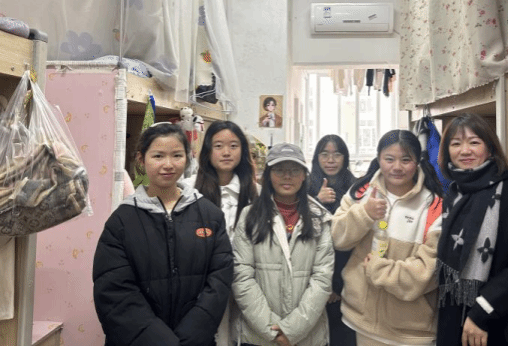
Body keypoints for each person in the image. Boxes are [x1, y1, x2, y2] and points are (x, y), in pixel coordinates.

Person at [93, 122, 233, 346]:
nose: (168, 165)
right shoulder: (121, 222)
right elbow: (114, 291)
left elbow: (219, 282)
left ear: (188, 158)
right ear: (141, 159)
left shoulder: (210, 215)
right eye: (158, 156)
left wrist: (191, 335)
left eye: (177, 155)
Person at [331, 129, 444, 346]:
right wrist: (364, 214)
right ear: (378, 159)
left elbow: (427, 272)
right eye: (389, 159)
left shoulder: (434, 206)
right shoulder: (360, 193)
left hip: (410, 332)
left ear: (417, 162)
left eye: (406, 160)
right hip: (359, 320)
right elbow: (337, 239)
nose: (397, 167)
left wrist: (378, 269)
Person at [435, 113, 508, 346]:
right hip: (451, 318)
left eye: (474, 142)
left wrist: (482, 312)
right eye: (456, 144)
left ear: (490, 149)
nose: (465, 151)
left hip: (495, 320)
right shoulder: (451, 196)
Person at [232, 142, 334, 346]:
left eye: (294, 170)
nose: (287, 176)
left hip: (308, 336)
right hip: (258, 336)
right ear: (268, 174)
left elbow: (322, 278)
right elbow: (241, 275)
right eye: (279, 170)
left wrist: (292, 330)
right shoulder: (249, 216)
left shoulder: (319, 217)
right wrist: (272, 329)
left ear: (304, 175)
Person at [193, 120, 259, 346]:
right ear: (208, 150)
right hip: (202, 284)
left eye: (233, 146)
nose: (226, 152)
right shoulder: (189, 189)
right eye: (218, 146)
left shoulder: (256, 193)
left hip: (245, 284)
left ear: (243, 150)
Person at [308, 134, 357, 346]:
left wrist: (337, 285)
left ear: (345, 158)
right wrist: (317, 201)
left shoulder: (356, 188)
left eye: (337, 154)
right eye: (324, 154)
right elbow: (298, 232)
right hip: (312, 277)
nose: (330, 160)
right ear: (316, 157)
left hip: (347, 278)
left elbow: (357, 239)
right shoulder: (306, 186)